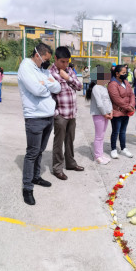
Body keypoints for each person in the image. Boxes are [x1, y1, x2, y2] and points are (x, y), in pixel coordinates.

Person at [17, 43, 62, 205]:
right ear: (37, 55)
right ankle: (27, 187)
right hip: (35, 117)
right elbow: (36, 90)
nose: (47, 63)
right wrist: (46, 85)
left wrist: (46, 85)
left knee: (40, 151)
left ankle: (36, 177)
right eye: (45, 59)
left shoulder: (42, 70)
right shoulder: (26, 67)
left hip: (48, 116)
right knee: (32, 153)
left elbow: (57, 87)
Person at [49, 47, 84, 181]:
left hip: (72, 113)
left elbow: (79, 86)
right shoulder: (50, 74)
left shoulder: (69, 71)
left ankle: (70, 163)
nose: (65, 64)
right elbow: (49, 96)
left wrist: (68, 77)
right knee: (59, 142)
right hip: (60, 114)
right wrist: (56, 113)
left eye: (67, 62)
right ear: (56, 59)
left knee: (70, 140)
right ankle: (57, 168)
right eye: (62, 61)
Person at [108, 65, 136, 159]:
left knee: (123, 131)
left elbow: (131, 94)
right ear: (117, 74)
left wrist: (132, 105)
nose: (125, 74)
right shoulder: (112, 84)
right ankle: (113, 149)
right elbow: (117, 99)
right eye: (123, 73)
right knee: (116, 131)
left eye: (126, 72)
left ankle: (124, 148)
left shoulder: (126, 82)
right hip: (117, 112)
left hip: (126, 112)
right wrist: (128, 107)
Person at [87, 74, 113, 165]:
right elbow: (99, 103)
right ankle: (97, 156)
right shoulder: (96, 88)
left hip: (106, 114)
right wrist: (104, 113)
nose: (108, 79)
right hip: (99, 114)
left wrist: (110, 111)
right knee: (98, 136)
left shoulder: (104, 87)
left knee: (102, 135)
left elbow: (108, 100)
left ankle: (101, 154)